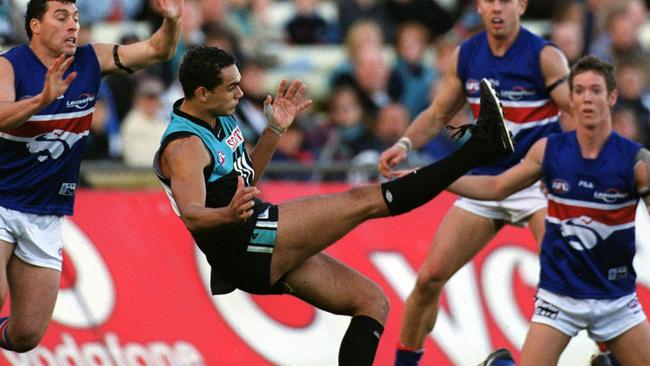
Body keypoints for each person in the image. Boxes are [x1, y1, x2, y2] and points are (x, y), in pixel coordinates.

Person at [153, 45, 514, 366]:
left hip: (250, 240)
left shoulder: (217, 114)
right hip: (243, 244)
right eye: (231, 86)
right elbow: (193, 214)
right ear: (201, 93)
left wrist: (275, 130)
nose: (241, 92)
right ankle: (481, 147)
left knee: (372, 302)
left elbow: (247, 179)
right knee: (363, 200)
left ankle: (483, 146)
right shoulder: (184, 146)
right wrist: (227, 214)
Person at [378, 1, 574, 365]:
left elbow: (576, 112)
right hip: (486, 179)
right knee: (428, 280)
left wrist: (567, 169)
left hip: (535, 183)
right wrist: (404, 143)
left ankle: (607, 353)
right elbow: (438, 114)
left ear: (522, 5)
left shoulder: (545, 56)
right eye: (489, 0)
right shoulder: (467, 54)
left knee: (564, 282)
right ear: (479, 6)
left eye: (505, 0)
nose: (497, 8)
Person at [0, 0, 183, 352]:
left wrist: (171, 21)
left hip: (45, 212)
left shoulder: (91, 59)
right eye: (62, 17)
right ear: (35, 25)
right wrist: (41, 99)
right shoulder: (10, 66)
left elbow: (159, 49)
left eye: (77, 18)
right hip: (2, 200)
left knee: (26, 335)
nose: (73, 25)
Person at [455, 55, 650, 366]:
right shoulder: (549, 152)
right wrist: (437, 178)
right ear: (569, 99)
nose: (587, 98)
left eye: (596, 90)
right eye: (580, 91)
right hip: (559, 298)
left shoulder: (637, 162)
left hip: (617, 301)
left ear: (612, 97)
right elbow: (496, 187)